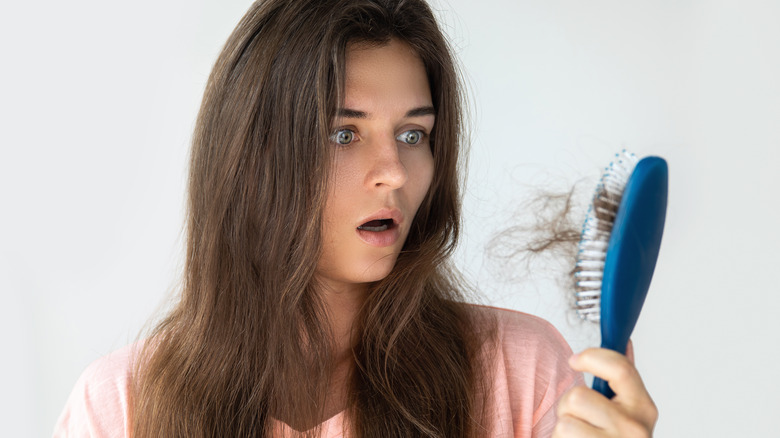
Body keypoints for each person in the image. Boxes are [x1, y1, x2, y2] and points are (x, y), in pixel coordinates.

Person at [53, 0, 658, 436]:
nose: (394, 170)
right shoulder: (123, 407)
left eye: (413, 133)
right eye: (344, 133)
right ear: (250, 158)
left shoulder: (517, 372)